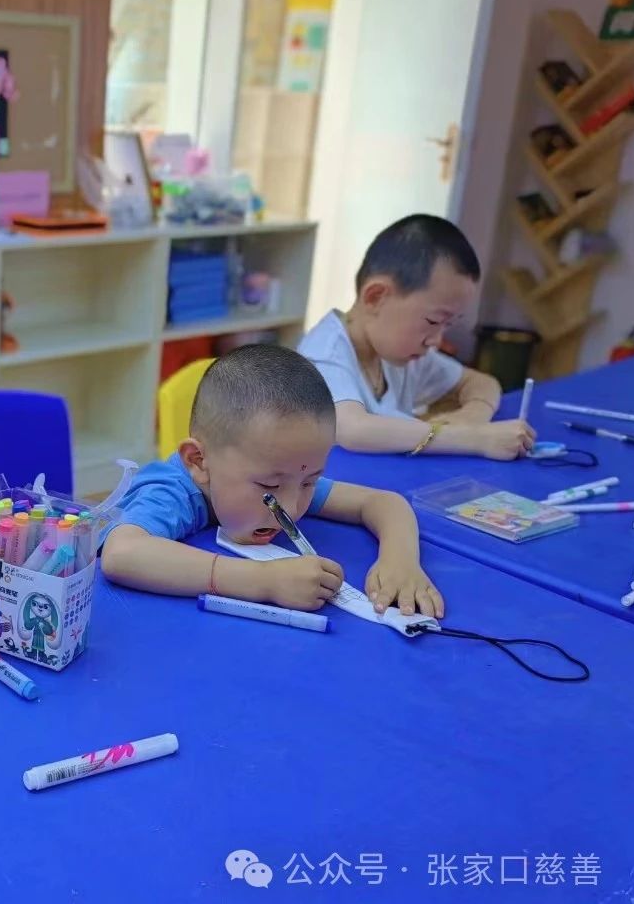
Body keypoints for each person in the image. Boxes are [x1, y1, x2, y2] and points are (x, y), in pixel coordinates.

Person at [100, 344, 443, 617]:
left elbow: (384, 502)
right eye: (269, 488)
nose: (290, 508)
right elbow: (122, 554)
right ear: (199, 461)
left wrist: (400, 561)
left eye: (310, 482)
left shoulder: (284, 476)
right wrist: (264, 581)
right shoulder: (169, 492)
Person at [298, 214, 534, 459]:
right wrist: (474, 438)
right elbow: (354, 429)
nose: (436, 340)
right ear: (376, 297)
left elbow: (483, 383)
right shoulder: (323, 354)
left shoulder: (398, 351)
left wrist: (472, 417)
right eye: (433, 321)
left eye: (447, 325)